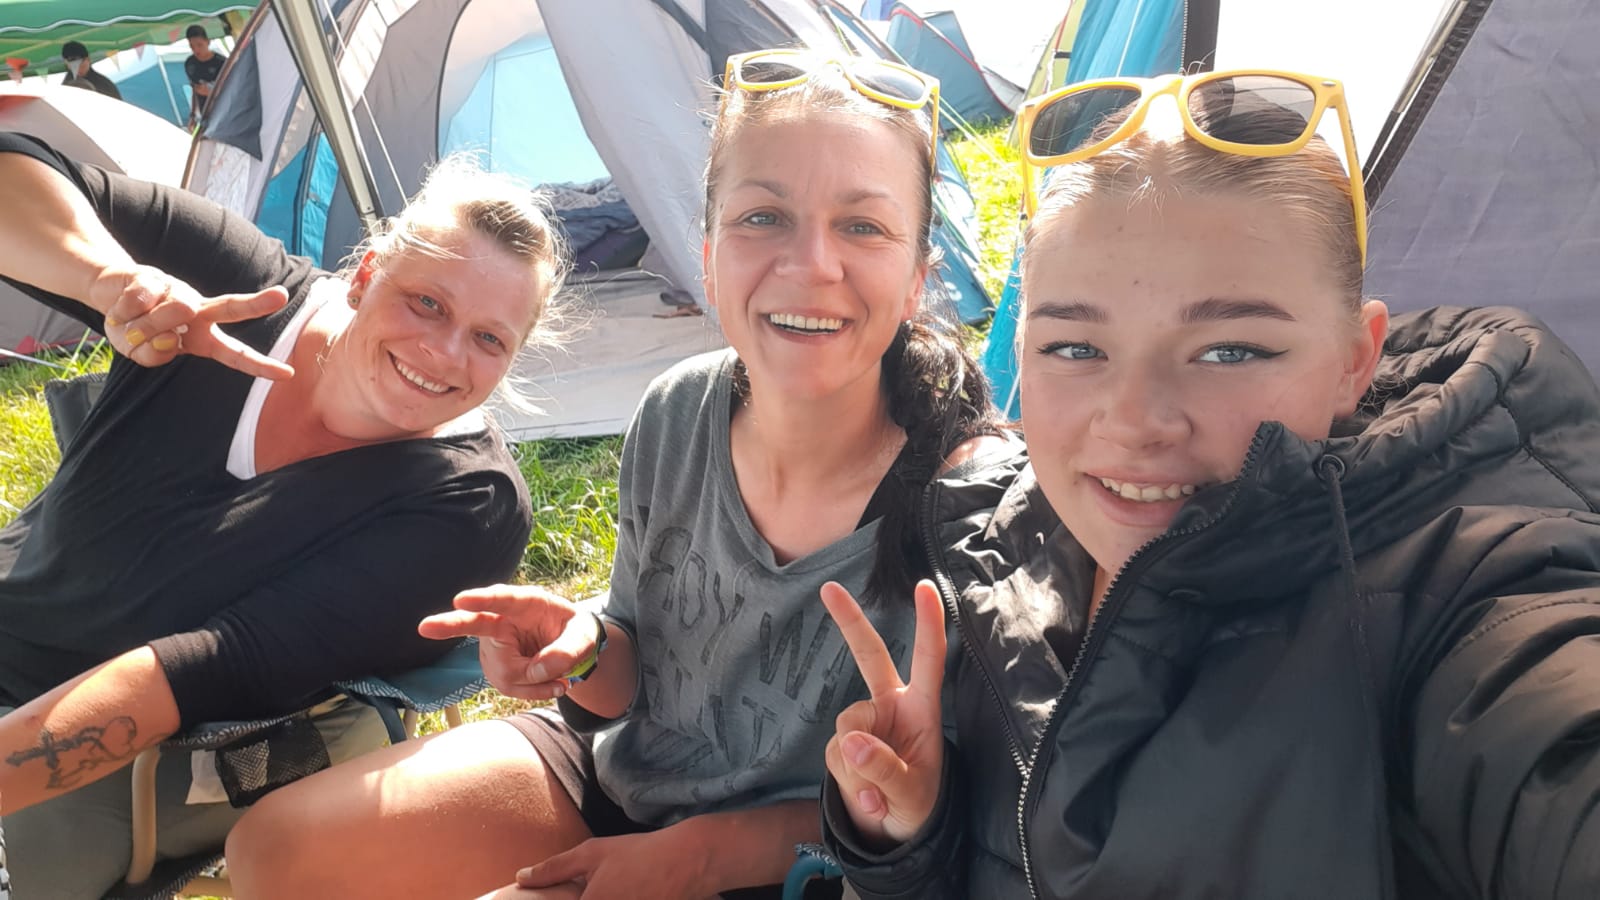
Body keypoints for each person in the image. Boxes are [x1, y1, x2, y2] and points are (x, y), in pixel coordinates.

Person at [222, 49, 1015, 899]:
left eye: (863, 226)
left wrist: (696, 856)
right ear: (705, 258)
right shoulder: (679, 412)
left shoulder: (972, 506)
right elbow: (629, 681)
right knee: (271, 849)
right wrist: (586, 645)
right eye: (763, 217)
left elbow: (948, 813)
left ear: (917, 279)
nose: (811, 263)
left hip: (800, 859)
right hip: (618, 776)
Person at [818, 70, 1600, 898]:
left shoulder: (1467, 600)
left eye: (1231, 350)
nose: (1134, 421)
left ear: (1355, 360)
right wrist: (909, 838)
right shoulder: (989, 547)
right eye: (1075, 348)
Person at [0, 132, 566, 898]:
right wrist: (111, 282)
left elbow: (216, 666)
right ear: (365, 276)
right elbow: (17, 163)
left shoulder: (465, 505)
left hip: (122, 760)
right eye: (426, 303)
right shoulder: (235, 288)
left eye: (489, 339)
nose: (443, 352)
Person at [183, 24, 226, 128]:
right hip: (205, 115)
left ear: (208, 42)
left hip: (224, 113)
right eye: (192, 46)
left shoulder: (222, 62)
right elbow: (194, 89)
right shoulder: (190, 63)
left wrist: (211, 91)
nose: (196, 50)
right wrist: (193, 115)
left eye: (199, 45)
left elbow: (231, 89)